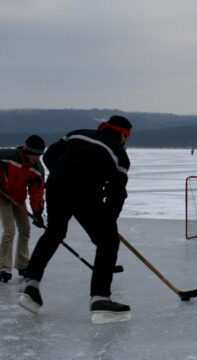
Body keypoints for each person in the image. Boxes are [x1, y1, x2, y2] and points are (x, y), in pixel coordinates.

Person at [18, 116, 133, 324]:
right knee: (108, 241)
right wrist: (108, 221)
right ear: (123, 135)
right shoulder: (119, 153)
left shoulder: (78, 133)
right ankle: (100, 299)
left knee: (55, 231)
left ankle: (31, 284)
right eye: (127, 137)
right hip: (86, 192)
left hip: (56, 185)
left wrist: (64, 173)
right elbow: (117, 194)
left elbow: (50, 156)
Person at [0, 136, 46, 283]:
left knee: (25, 229)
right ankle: (4, 268)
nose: (37, 158)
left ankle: (23, 265)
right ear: (27, 151)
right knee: (9, 230)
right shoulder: (7, 157)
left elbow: (36, 192)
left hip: (18, 198)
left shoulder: (37, 169)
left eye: (39, 155)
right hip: (2, 195)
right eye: (35, 154)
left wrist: (37, 212)